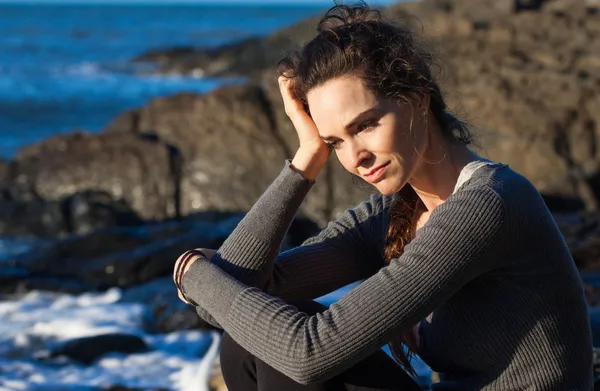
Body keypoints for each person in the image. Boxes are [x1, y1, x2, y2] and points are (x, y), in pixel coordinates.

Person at [172, 2, 594, 390]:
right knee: (247, 339)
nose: (356, 158)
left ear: (416, 98)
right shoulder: (394, 212)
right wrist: (306, 158)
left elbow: (308, 355)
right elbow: (236, 294)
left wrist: (192, 272)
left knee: (277, 343)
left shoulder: (489, 204)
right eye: (336, 141)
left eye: (365, 125)